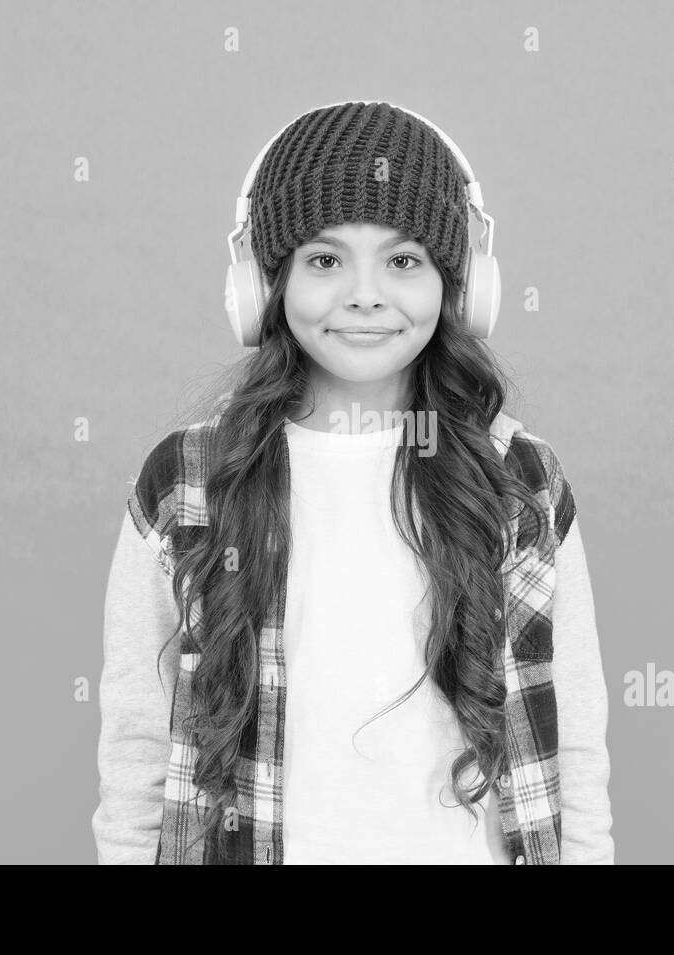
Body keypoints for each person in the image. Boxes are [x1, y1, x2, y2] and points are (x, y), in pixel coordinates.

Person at [93, 100, 614, 864]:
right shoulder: (187, 483)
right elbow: (136, 744)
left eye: (403, 260)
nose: (365, 294)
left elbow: (575, 749)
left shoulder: (518, 481)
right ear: (263, 284)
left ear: (460, 286)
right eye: (326, 260)